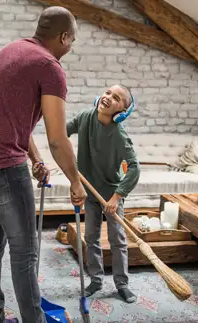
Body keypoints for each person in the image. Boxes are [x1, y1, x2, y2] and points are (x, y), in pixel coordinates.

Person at [0, 6, 87, 323]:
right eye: (72, 40)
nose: (71, 47)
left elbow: (12, 120)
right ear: (63, 36)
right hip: (0, 165)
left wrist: (36, 158)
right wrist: (75, 181)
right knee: (26, 251)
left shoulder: (13, 50)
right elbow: (58, 138)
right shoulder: (50, 68)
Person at [66, 84, 141, 303]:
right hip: (89, 191)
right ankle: (96, 280)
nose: (108, 97)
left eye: (116, 98)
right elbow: (62, 132)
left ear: (122, 113)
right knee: (91, 237)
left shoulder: (119, 135)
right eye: (108, 92)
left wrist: (116, 198)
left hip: (111, 194)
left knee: (117, 239)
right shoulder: (85, 118)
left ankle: (122, 284)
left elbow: (135, 167)